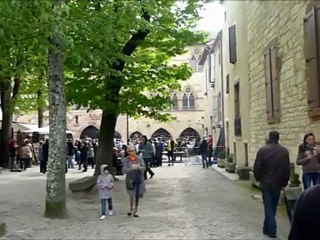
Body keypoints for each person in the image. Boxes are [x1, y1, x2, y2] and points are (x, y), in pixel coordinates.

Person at [253, 131, 290, 238]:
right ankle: (266, 227)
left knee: (269, 206)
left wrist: (258, 178)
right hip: (278, 183)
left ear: (269, 138)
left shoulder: (263, 150)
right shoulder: (284, 152)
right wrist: (285, 181)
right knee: (272, 206)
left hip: (266, 182)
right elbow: (286, 169)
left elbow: (257, 167)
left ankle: (272, 230)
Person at [123, 146, 146, 218]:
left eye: (133, 150)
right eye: (130, 151)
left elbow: (144, 167)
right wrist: (132, 168)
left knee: (137, 195)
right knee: (131, 195)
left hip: (138, 179)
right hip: (130, 179)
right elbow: (125, 170)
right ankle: (131, 209)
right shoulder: (126, 160)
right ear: (128, 152)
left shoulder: (139, 158)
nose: (132, 152)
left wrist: (139, 168)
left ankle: (136, 210)